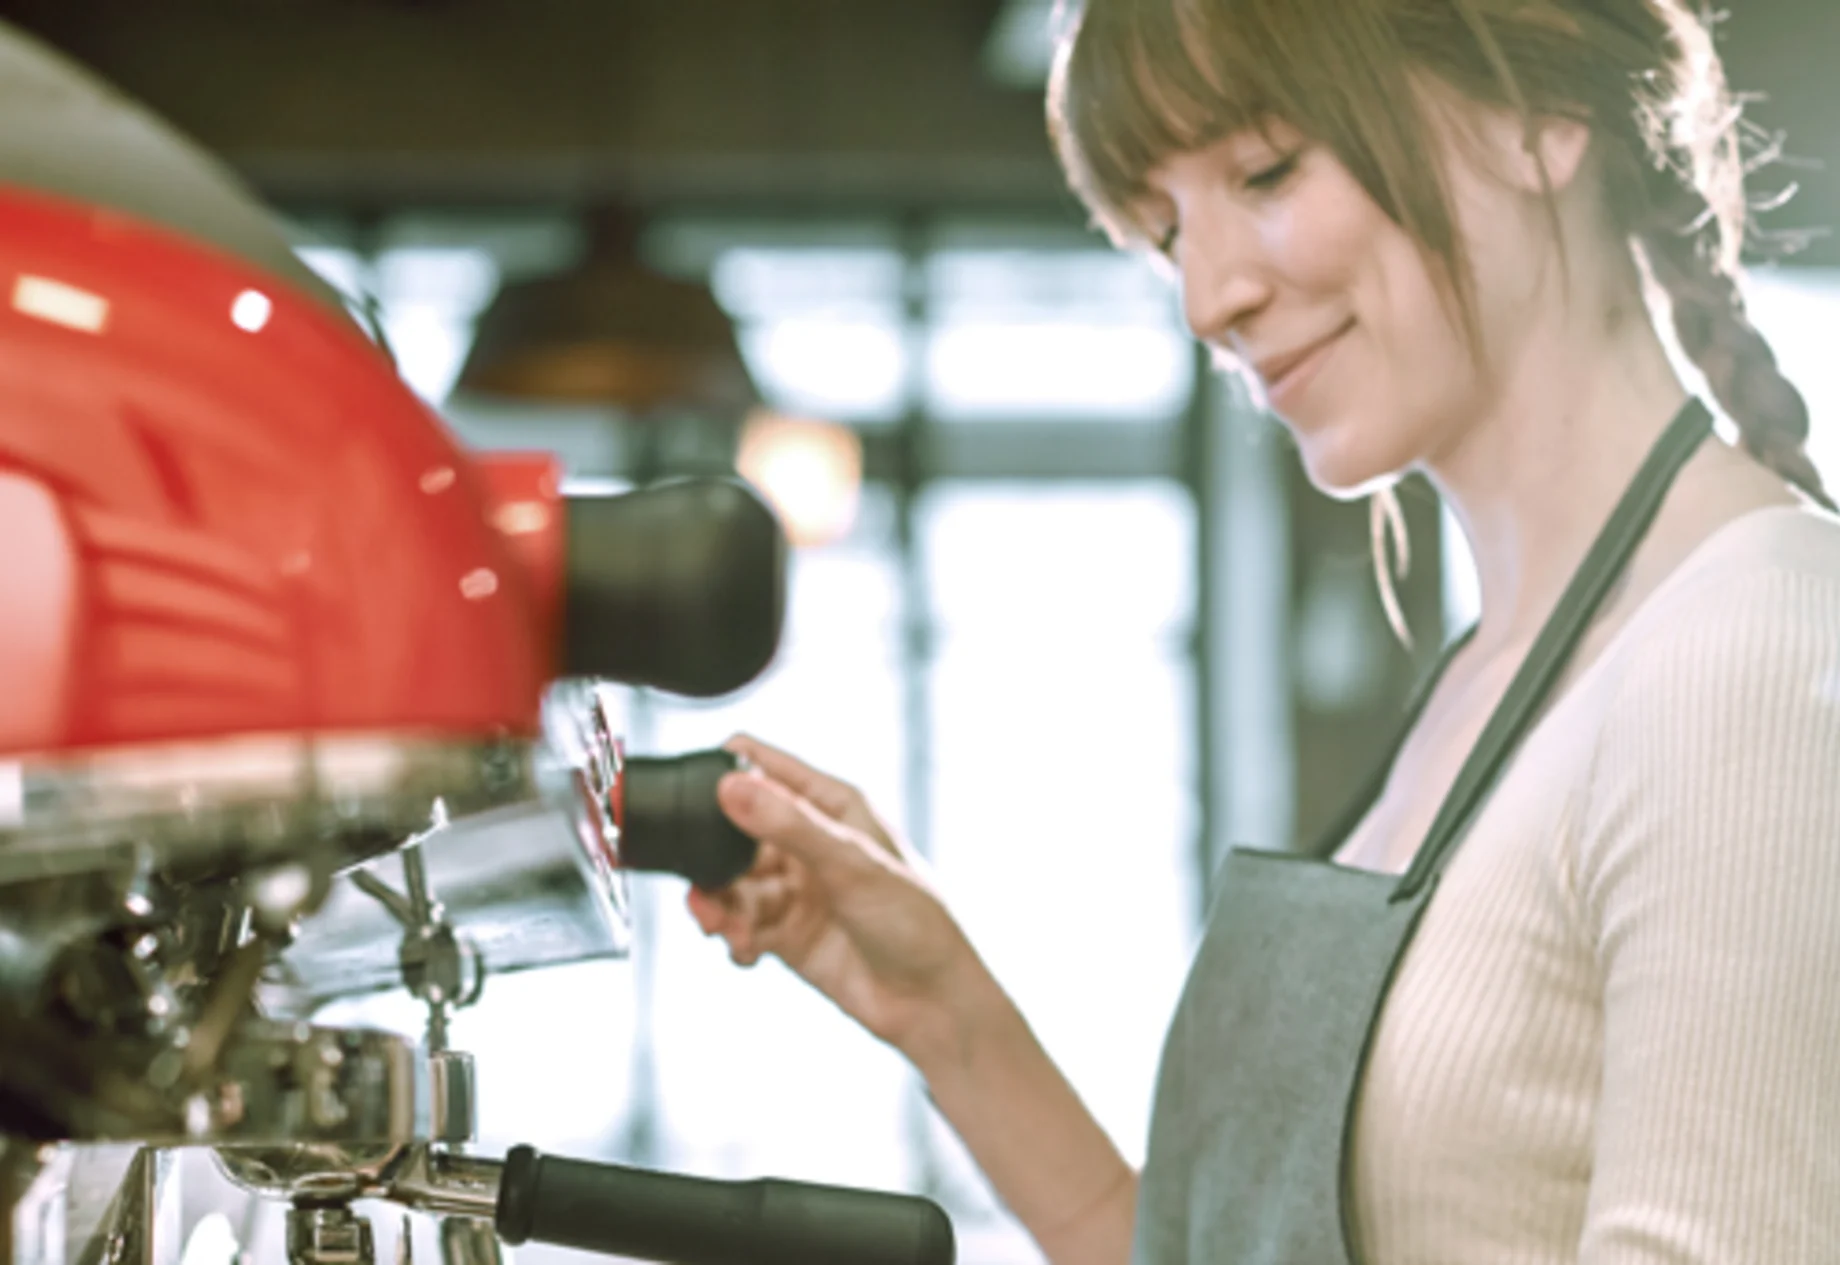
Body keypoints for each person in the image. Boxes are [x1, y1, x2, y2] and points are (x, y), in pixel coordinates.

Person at [688, 1, 1840, 1261]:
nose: (1205, 297)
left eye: (1267, 170)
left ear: (1537, 118)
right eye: (1166, 228)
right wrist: (944, 1010)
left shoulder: (1752, 645)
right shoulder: (1486, 685)